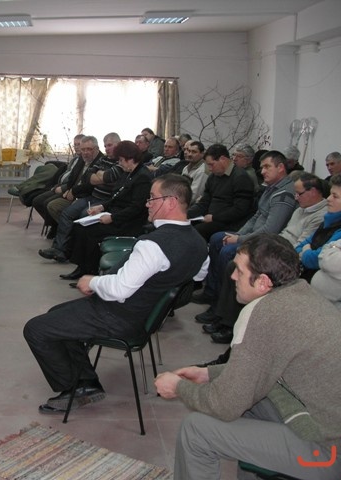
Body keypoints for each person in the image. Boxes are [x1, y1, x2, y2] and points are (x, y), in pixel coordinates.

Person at [155, 234, 341, 480]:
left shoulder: (263, 314)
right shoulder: (301, 294)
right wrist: (209, 373)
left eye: (240, 271)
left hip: (328, 452)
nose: (233, 276)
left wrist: (178, 387)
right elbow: (262, 368)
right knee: (248, 403)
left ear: (263, 282)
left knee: (196, 431)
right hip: (323, 426)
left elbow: (224, 404)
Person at [24, 174, 209, 414]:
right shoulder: (199, 243)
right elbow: (198, 277)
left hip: (120, 316)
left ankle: (75, 388)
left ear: (171, 202)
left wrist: (93, 281)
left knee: (36, 329)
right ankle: (86, 381)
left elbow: (120, 290)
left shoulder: (154, 245)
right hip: (146, 317)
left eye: (152, 198)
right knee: (56, 315)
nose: (147, 203)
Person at [196, 173, 329, 346]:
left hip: (285, 257)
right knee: (229, 258)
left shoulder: (319, 216)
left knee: (234, 264)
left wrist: (259, 246)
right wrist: (242, 236)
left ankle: (228, 322)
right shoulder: (300, 209)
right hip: (277, 246)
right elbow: (282, 232)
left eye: (299, 193)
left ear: (314, 192)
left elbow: (300, 245)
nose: (296, 198)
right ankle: (220, 311)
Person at [191, 150, 297, 343]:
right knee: (217, 238)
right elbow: (256, 217)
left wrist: (240, 240)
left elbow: (270, 230)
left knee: (228, 254)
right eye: (261, 167)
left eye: (267, 167)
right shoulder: (270, 189)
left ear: (281, 167)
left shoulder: (284, 195)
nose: (262, 171)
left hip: (268, 244)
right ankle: (212, 293)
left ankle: (224, 316)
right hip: (252, 236)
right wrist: (238, 235)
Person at [61, 140, 152, 280]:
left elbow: (136, 208)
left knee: (91, 232)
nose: (119, 163)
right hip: (116, 214)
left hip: (128, 222)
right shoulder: (128, 172)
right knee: (79, 227)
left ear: (130, 159)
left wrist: (112, 218)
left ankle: (91, 272)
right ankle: (82, 268)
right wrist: (102, 207)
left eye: (121, 160)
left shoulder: (143, 177)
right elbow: (116, 196)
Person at [186, 144, 256, 241]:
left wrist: (214, 217)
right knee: (183, 225)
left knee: (196, 231)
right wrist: (186, 214)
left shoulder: (241, 177)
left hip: (229, 223)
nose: (210, 169)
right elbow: (204, 203)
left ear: (223, 159)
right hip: (210, 218)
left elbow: (240, 209)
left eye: (211, 164)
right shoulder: (213, 177)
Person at [295, 173, 341, 281]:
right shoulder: (328, 220)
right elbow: (302, 245)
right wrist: (307, 251)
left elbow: (317, 259)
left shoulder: (338, 230)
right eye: (330, 194)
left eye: (335, 196)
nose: (328, 199)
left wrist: (306, 251)